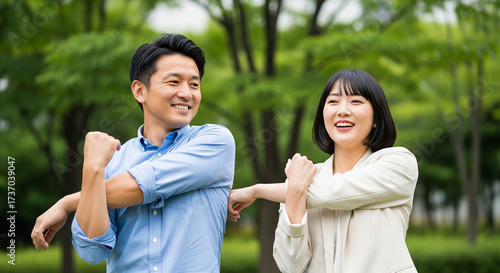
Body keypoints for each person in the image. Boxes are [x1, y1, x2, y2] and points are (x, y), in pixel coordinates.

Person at [31, 33, 236, 273]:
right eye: (174, 82)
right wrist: (93, 168)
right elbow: (92, 251)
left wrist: (68, 202)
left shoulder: (215, 142)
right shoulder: (113, 159)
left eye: (194, 84)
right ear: (140, 91)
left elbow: (145, 183)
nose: (187, 93)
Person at [228, 69, 418, 273]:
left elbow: (335, 191)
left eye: (356, 101)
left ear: (376, 118)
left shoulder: (398, 163)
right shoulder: (302, 179)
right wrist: (294, 189)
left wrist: (259, 191)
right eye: (333, 102)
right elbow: (290, 266)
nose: (342, 110)